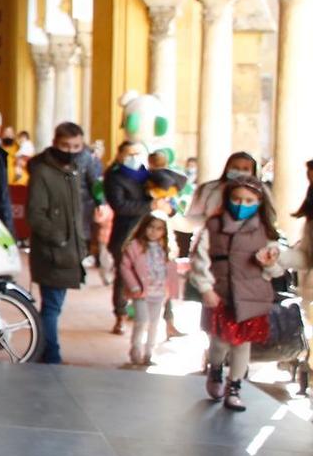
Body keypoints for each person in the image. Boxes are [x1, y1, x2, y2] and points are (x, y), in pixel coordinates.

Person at [188, 176, 285, 413]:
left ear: (259, 202)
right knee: (219, 342)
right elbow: (199, 261)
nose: (242, 204)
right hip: (221, 294)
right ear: (228, 198)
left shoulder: (267, 232)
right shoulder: (212, 227)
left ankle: (235, 387)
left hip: (252, 297)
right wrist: (206, 288)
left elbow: (277, 269)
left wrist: (269, 264)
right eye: (237, 199)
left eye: (249, 200)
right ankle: (216, 367)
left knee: (243, 345)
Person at [26, 122, 91, 364]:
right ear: (55, 143)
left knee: (54, 306)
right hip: (53, 252)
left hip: (69, 251)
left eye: (76, 146)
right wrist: (59, 238)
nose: (71, 150)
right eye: (66, 145)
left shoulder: (72, 170)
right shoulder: (44, 172)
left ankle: (47, 350)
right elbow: (36, 214)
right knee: (52, 307)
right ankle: (50, 354)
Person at [104, 139, 153, 333]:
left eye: (138, 153)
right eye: (130, 153)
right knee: (123, 276)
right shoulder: (114, 176)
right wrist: (151, 206)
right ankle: (120, 315)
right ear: (120, 155)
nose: (135, 158)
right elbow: (121, 206)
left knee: (157, 275)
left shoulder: (150, 175)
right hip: (125, 234)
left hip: (150, 233)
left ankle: (166, 319)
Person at [116, 213, 174, 366]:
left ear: (164, 232)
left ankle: (148, 353)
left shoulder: (165, 248)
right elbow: (125, 267)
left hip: (159, 292)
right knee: (141, 320)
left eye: (159, 229)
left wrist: (170, 290)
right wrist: (134, 286)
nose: (154, 232)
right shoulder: (134, 246)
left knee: (154, 323)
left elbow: (169, 269)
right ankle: (135, 349)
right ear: (144, 227)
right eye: (151, 227)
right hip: (141, 292)